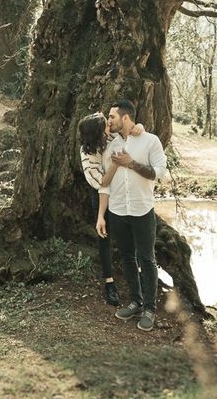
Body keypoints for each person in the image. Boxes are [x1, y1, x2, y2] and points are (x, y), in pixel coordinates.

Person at [96, 100, 167, 332]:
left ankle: (149, 308)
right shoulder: (110, 146)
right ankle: (135, 302)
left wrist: (131, 163)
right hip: (117, 211)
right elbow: (104, 183)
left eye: (112, 116)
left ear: (126, 118)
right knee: (127, 258)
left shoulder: (150, 141)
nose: (109, 121)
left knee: (147, 259)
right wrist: (102, 216)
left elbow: (158, 174)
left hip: (142, 210)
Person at [78, 112, 144, 307]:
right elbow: (101, 183)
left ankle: (137, 275)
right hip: (101, 194)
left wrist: (139, 126)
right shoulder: (88, 154)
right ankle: (109, 283)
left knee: (130, 233)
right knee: (104, 236)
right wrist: (115, 164)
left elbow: (131, 132)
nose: (110, 125)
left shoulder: (111, 135)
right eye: (105, 125)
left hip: (123, 190)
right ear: (97, 133)